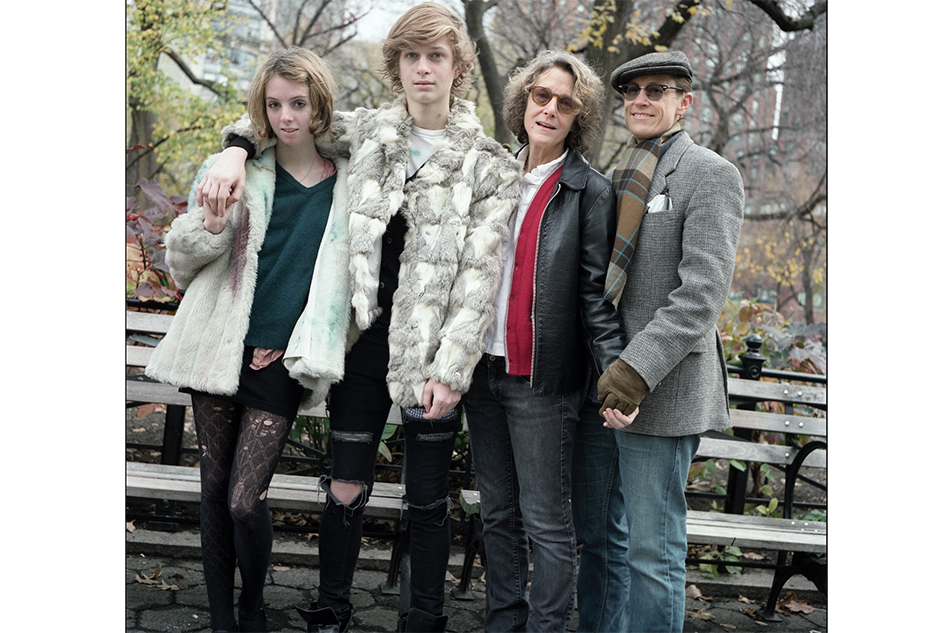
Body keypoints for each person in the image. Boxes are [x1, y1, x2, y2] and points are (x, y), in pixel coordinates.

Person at [195, 5, 522, 633]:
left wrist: (453, 370)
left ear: (459, 68)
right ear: (395, 67)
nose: (424, 69)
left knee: (426, 497)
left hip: (432, 359)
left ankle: (423, 617)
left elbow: (479, 278)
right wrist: (234, 153)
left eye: (437, 57)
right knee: (344, 486)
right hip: (362, 347)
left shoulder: (489, 161)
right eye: (410, 57)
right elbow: (287, 117)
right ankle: (333, 608)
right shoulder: (369, 132)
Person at [145, 47, 352, 633]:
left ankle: (253, 604)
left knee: (243, 498)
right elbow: (182, 261)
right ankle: (221, 620)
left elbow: (344, 285)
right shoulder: (239, 168)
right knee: (213, 490)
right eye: (275, 104)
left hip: (282, 359)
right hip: (219, 342)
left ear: (318, 106)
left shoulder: (346, 185)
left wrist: (293, 337)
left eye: (299, 103)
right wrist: (211, 225)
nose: (287, 116)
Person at [572, 50, 744, 633]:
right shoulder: (617, 176)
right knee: (598, 539)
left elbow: (701, 295)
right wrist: (605, 370)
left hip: (657, 392)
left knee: (652, 553)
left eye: (657, 90)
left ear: (684, 102)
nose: (641, 100)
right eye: (632, 91)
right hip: (602, 387)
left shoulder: (710, 174)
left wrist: (633, 371)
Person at [460, 50, 625, 633]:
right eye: (541, 96)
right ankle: (504, 622)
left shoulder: (588, 190)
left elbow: (593, 298)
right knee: (497, 513)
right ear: (523, 100)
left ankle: (548, 627)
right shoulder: (493, 171)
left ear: (579, 115)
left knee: (547, 522)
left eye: (565, 101)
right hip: (480, 371)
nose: (550, 108)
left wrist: (615, 378)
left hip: (543, 381)